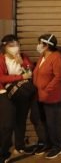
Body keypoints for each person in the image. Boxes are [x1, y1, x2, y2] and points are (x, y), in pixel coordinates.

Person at [0, 35, 34, 163]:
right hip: (4, 93)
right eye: (11, 45)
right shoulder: (1, 59)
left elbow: (30, 72)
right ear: (5, 47)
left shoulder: (23, 56)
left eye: (17, 44)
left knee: (21, 120)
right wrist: (20, 77)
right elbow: (1, 78)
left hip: (21, 93)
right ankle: (3, 153)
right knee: (7, 124)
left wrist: (22, 62)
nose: (15, 48)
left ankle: (19, 147)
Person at [32, 34, 61, 159]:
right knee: (40, 121)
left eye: (40, 43)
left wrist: (47, 90)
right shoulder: (43, 56)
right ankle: (47, 143)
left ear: (46, 45)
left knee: (52, 123)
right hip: (39, 95)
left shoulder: (57, 57)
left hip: (51, 97)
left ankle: (58, 146)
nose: (38, 45)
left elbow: (58, 77)